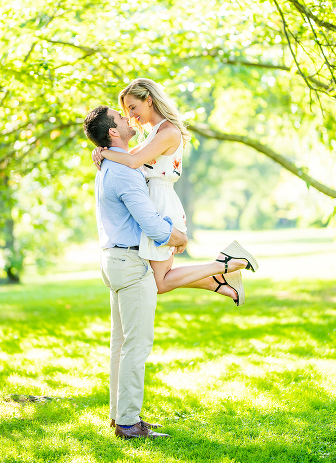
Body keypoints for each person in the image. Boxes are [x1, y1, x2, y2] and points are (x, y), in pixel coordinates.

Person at [83, 104, 255, 440]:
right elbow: (148, 220)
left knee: (121, 344)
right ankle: (129, 424)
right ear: (113, 132)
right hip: (130, 263)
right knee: (136, 346)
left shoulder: (110, 165)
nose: (128, 118)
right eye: (121, 117)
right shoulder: (123, 170)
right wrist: (176, 236)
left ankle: (121, 417)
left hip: (115, 260)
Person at [91, 78, 258, 305]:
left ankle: (225, 264)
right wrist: (103, 151)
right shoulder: (156, 132)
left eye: (132, 108)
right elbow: (129, 157)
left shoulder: (168, 131)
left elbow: (132, 161)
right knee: (158, 280)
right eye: (126, 111)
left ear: (148, 100)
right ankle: (217, 280)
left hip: (162, 203)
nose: (130, 116)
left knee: (160, 283)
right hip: (155, 200)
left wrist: (104, 153)